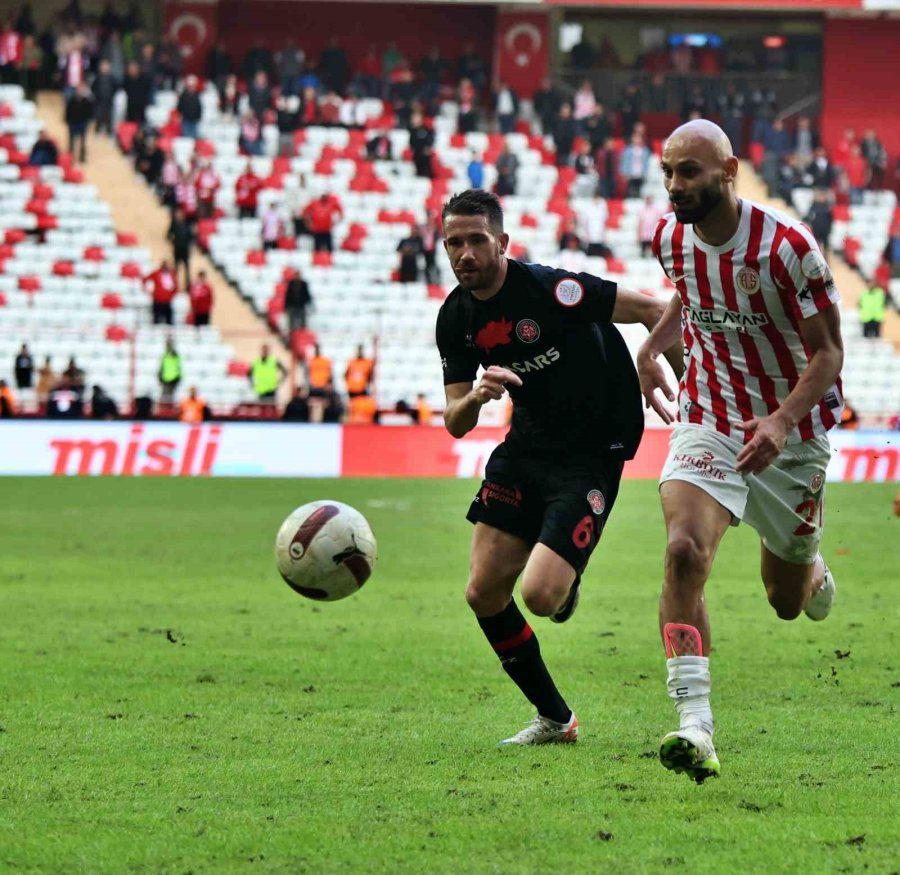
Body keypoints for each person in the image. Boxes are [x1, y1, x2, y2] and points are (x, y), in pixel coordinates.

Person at [637, 119, 844, 785]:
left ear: (728, 173)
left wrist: (782, 420)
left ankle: (808, 569)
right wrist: (650, 344)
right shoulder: (670, 237)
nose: (675, 186)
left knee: (786, 600)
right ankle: (694, 724)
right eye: (668, 172)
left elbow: (828, 352)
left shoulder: (789, 249)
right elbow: (690, 297)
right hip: (710, 416)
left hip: (792, 435)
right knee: (682, 550)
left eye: (689, 172)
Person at [435, 189, 680, 745]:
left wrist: (654, 363)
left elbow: (650, 310)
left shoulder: (552, 289)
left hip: (594, 449)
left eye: (477, 240)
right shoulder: (454, 319)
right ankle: (555, 719)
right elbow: (454, 421)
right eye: (455, 243)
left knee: (541, 597)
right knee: (482, 593)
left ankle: (564, 581)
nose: (465, 253)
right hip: (525, 447)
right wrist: (477, 397)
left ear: (502, 242)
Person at [167, 208, 193, 289]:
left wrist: (188, 244)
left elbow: (191, 237)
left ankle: (187, 285)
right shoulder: (174, 225)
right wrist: (174, 242)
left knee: (187, 269)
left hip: (185, 249)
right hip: (177, 249)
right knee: (176, 269)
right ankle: (175, 285)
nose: (179, 216)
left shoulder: (187, 225)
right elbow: (168, 235)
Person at [284, 268, 312, 333]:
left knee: (303, 320)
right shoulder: (290, 284)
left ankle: (302, 333)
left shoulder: (304, 284)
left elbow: (306, 294)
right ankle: (292, 333)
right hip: (292, 306)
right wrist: (286, 306)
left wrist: (308, 302)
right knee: (291, 321)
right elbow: (287, 296)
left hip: (301, 305)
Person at [177, 74, 202, 139]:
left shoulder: (197, 95)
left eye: (192, 86)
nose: (191, 88)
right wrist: (180, 114)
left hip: (194, 119)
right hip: (186, 119)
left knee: (194, 136)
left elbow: (199, 107)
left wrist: (198, 116)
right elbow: (180, 106)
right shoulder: (184, 95)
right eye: (190, 86)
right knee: (185, 136)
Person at [158, 339, 182, 404]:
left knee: (170, 397)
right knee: (165, 396)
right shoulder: (165, 356)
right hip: (166, 378)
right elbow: (162, 367)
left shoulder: (175, 356)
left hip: (173, 379)